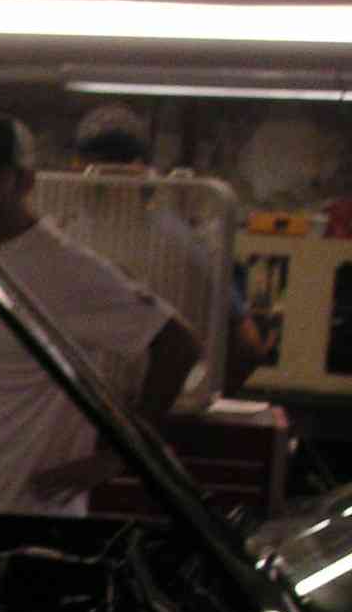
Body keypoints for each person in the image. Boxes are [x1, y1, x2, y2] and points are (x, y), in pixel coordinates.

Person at [0, 114, 200, 517]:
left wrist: (122, 455)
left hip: (32, 522)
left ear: (24, 182)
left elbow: (178, 345)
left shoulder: (66, 269)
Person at [70, 101, 280, 394]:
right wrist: (186, 401)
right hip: (151, 407)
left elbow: (247, 347)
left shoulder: (68, 237)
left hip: (87, 404)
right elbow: (247, 348)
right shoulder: (184, 241)